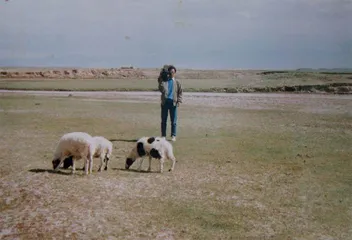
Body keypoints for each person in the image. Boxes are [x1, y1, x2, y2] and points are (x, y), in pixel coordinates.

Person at [158, 65, 183, 142]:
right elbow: (161, 89)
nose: (172, 73)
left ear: (175, 73)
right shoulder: (165, 81)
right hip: (165, 102)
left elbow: (180, 92)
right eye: (170, 72)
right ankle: (163, 136)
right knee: (164, 120)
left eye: (173, 72)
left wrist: (179, 101)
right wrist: (161, 78)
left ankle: (173, 135)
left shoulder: (177, 82)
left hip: (173, 103)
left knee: (173, 121)